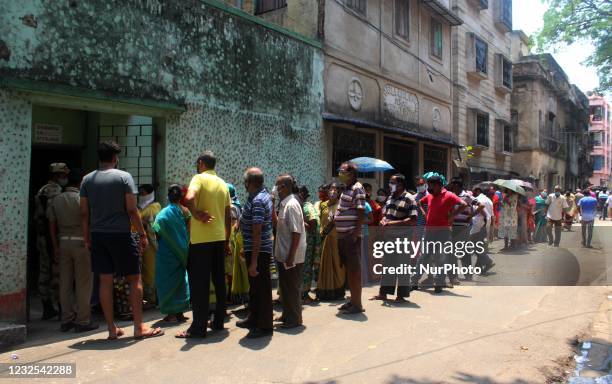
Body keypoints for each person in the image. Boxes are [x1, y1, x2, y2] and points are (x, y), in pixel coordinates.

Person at [80, 141, 163, 340]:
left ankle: (111, 329)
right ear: (115, 158)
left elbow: (84, 212)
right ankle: (138, 327)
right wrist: (142, 234)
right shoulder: (124, 177)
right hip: (121, 235)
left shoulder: (86, 180)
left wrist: (86, 238)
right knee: (135, 279)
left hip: (98, 235)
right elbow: (132, 210)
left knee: (105, 281)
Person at [176, 151, 231, 339]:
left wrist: (197, 214)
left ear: (201, 163)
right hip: (219, 239)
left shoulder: (198, 178)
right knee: (219, 281)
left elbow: (189, 198)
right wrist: (226, 240)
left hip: (201, 242)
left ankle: (198, 328)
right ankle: (218, 323)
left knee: (199, 284)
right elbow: (228, 215)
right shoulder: (223, 184)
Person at [48, 169, 98, 333]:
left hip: (63, 243)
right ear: (81, 184)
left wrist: (55, 247)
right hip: (81, 243)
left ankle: (66, 319)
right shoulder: (83, 199)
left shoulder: (56, 200)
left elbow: (52, 225)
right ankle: (83, 320)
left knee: (65, 283)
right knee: (84, 284)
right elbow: (88, 219)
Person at [236, 168, 274, 338]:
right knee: (255, 288)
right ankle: (254, 318)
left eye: (245, 181)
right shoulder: (260, 196)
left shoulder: (258, 200)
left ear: (249, 183)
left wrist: (254, 261)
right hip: (255, 249)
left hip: (260, 252)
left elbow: (257, 231)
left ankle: (265, 326)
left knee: (262, 289)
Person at [416, 175, 468, 293]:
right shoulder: (430, 196)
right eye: (428, 185)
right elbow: (419, 203)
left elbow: (464, 204)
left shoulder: (449, 195)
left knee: (441, 258)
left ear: (439, 185)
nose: (429, 187)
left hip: (443, 231)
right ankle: (414, 280)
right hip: (429, 231)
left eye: (431, 185)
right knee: (424, 257)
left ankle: (439, 283)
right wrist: (425, 214)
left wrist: (452, 215)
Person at [370, 174, 417, 302]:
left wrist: (392, 223)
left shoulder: (409, 198)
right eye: (390, 182)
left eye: (392, 182)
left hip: (402, 238)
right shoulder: (390, 197)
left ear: (401, 184)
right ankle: (383, 293)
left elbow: (413, 219)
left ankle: (401, 296)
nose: (390, 185)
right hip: (389, 237)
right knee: (387, 266)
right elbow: (386, 214)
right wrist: (384, 220)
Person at [35, 162, 69, 320]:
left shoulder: (41, 190)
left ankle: (47, 307)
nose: (65, 178)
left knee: (44, 271)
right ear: (56, 175)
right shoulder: (55, 191)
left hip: (42, 237)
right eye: (63, 175)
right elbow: (53, 218)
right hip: (53, 236)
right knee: (58, 273)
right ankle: (62, 309)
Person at [152, 185, 190, 322]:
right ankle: (179, 312)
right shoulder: (186, 211)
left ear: (168, 196)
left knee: (166, 282)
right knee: (181, 281)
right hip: (182, 252)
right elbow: (189, 231)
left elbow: (157, 229)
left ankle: (171, 314)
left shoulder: (163, 213)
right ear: (181, 197)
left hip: (166, 253)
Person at [274, 175, 307, 328]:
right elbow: (279, 225)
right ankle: (287, 315)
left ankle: (294, 320)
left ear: (285, 187)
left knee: (291, 287)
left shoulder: (292, 205)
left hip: (291, 255)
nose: (276, 189)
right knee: (285, 287)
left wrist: (291, 256)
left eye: (278, 186)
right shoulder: (284, 204)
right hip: (284, 253)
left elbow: (296, 232)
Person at [334, 161, 366, 314]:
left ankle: (357, 305)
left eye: (343, 171)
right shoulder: (346, 189)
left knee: (354, 271)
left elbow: (361, 212)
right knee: (348, 270)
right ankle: (352, 300)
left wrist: (355, 233)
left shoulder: (357, 188)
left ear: (351, 173)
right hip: (343, 237)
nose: (340, 173)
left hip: (350, 236)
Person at [316, 183, 346, 301]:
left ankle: (338, 291)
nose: (332, 191)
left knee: (337, 265)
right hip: (324, 238)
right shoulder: (323, 205)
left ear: (339, 192)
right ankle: (324, 291)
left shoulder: (342, 206)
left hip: (337, 239)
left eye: (335, 190)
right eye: (331, 189)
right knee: (324, 265)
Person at [138, 184, 161, 308]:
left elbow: (155, 227)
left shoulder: (152, 209)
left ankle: (152, 298)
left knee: (151, 271)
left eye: (143, 193)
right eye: (140, 193)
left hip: (151, 246)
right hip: (146, 245)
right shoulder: (146, 208)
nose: (140, 196)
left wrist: (144, 224)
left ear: (149, 194)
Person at [447, 177, 473, 284]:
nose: (450, 186)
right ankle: (454, 276)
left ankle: (467, 274)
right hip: (452, 227)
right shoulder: (450, 195)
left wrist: (470, 216)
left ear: (456, 185)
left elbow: (479, 206)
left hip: (463, 227)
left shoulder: (466, 196)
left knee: (464, 251)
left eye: (452, 184)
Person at [298, 186, 320, 304]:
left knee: (305, 269)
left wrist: (300, 221)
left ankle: (304, 294)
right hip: (301, 242)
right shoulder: (300, 206)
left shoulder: (307, 207)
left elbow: (313, 225)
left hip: (307, 243)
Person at [467, 186, 494, 277]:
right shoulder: (489, 200)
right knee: (479, 245)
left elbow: (482, 211)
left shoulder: (477, 200)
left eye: (474, 191)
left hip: (477, 225)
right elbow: (492, 216)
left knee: (474, 246)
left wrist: (471, 215)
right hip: (485, 225)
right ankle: (479, 267)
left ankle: (487, 261)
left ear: (478, 190)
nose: (473, 192)